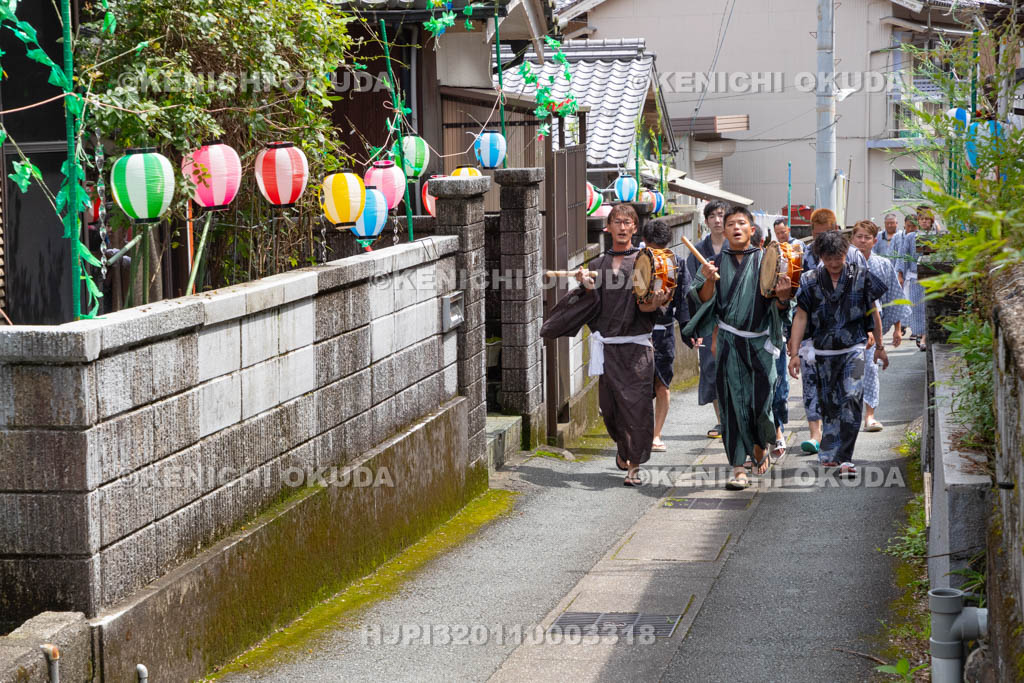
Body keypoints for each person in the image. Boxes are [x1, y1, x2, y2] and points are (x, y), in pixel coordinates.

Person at [683, 206, 794, 490]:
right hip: (729, 342)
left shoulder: (768, 259)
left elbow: (782, 304)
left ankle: (759, 445)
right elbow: (701, 300)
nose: (735, 228)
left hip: (760, 343)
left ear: (751, 229)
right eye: (730, 224)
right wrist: (708, 280)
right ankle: (738, 468)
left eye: (741, 223)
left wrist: (783, 298)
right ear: (723, 230)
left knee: (762, 403)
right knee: (731, 405)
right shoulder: (714, 263)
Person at [576, 204, 672, 486]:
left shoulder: (645, 262)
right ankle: (624, 448)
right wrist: (587, 287)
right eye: (616, 221)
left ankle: (634, 466)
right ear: (608, 227)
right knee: (610, 409)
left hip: (637, 348)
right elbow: (591, 308)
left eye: (627, 222)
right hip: (608, 348)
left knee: (638, 407)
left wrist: (657, 301)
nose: (621, 226)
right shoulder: (596, 266)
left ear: (634, 228)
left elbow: (648, 306)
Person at [788, 231, 889, 477]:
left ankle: (845, 458)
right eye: (829, 258)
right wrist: (794, 353)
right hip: (823, 351)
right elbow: (800, 317)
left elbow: (873, 312)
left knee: (852, 397)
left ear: (846, 253)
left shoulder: (861, 276)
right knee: (829, 404)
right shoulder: (810, 280)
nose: (834, 263)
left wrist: (880, 346)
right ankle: (829, 452)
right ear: (821, 257)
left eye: (839, 257)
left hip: (854, 349)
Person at [795, 208, 866, 455]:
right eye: (816, 235)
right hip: (813, 337)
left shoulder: (853, 256)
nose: (820, 239)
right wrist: (794, 346)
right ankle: (816, 434)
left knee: (850, 393)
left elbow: (868, 297)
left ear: (836, 229)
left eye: (825, 233)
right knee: (814, 387)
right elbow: (798, 304)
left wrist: (874, 335)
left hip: (850, 339)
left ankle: (842, 448)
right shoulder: (804, 255)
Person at [851, 220, 909, 432]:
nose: (862, 241)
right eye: (859, 237)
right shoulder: (843, 263)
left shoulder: (883, 264)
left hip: (874, 325)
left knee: (870, 368)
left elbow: (894, 297)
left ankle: (870, 415)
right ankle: (848, 416)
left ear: (874, 241)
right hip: (848, 323)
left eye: (867, 238)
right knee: (849, 370)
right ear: (852, 239)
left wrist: (897, 329)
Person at [642, 219, 693, 452]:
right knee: (638, 386)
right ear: (645, 243)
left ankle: (656, 434)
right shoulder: (638, 261)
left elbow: (684, 300)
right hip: (639, 332)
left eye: (662, 248)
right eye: (654, 248)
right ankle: (640, 433)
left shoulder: (678, 263)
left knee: (662, 384)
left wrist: (689, 331)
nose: (658, 253)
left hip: (664, 333)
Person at [686, 200, 728, 439]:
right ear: (706, 221)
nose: (717, 220)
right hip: (708, 318)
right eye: (712, 216)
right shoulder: (697, 250)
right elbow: (692, 288)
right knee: (711, 368)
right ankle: (721, 421)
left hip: (733, 317)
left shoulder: (737, 247)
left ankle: (735, 419)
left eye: (721, 215)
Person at [769, 218, 803, 459]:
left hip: (781, 331)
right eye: (777, 232)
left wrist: (793, 339)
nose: (781, 235)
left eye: (783, 232)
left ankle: (778, 427)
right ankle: (773, 434)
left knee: (780, 390)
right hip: (756, 337)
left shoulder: (795, 252)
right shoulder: (768, 258)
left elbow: (792, 304)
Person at [898, 212, 927, 351]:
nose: (925, 222)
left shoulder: (937, 236)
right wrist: (900, 274)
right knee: (917, 308)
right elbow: (903, 256)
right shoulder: (910, 237)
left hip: (931, 277)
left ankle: (924, 336)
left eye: (928, 219)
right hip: (915, 277)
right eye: (922, 219)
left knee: (928, 306)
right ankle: (919, 333)